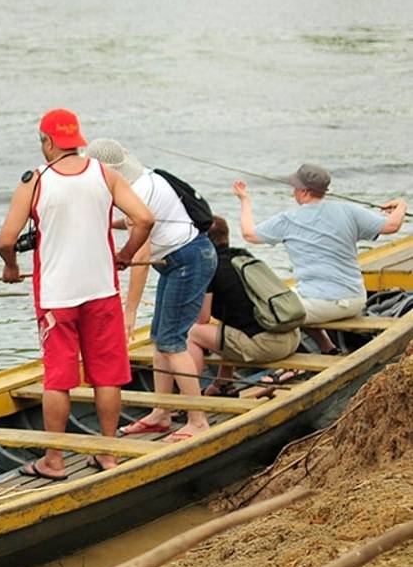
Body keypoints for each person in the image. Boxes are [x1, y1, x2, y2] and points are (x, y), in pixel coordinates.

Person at [0, 110, 153, 476]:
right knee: (107, 375)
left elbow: (6, 239)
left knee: (58, 378)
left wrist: (11, 267)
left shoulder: (35, 182)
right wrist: (126, 255)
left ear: (48, 143)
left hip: (57, 296)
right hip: (102, 290)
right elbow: (144, 219)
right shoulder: (106, 174)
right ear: (77, 140)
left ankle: (54, 460)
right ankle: (109, 453)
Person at [87, 140, 217, 444]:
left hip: (188, 259)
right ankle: (162, 412)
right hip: (179, 260)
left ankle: (198, 420)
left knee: (172, 342)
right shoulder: (144, 179)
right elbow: (134, 222)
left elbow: (141, 260)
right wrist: (105, 225)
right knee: (161, 338)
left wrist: (129, 312)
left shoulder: (139, 192)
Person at [234, 164, 406, 352]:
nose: (294, 192)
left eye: (296, 188)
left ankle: (289, 362)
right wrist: (401, 205)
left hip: (322, 304)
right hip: (355, 299)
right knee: (292, 294)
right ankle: (327, 347)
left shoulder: (288, 220)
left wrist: (244, 200)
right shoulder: (349, 211)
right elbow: (392, 225)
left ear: (304, 191)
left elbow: (249, 234)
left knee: (277, 308)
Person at [187, 217, 302, 394]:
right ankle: (223, 384)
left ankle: (189, 397)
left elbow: (202, 319)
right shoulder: (242, 256)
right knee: (228, 326)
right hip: (292, 338)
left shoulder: (210, 268)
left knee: (194, 333)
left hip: (267, 347)